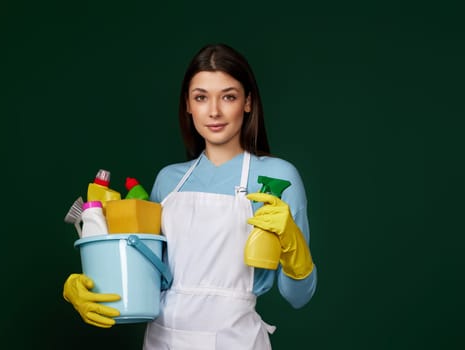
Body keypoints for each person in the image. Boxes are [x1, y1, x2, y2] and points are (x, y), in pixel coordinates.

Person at [63, 43, 318, 349]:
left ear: (248, 102)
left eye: (229, 96)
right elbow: (148, 276)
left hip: (234, 341)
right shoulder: (169, 181)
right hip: (163, 340)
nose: (214, 111)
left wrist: (294, 249)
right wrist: (86, 285)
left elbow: (299, 297)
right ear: (188, 104)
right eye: (201, 97)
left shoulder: (279, 177)